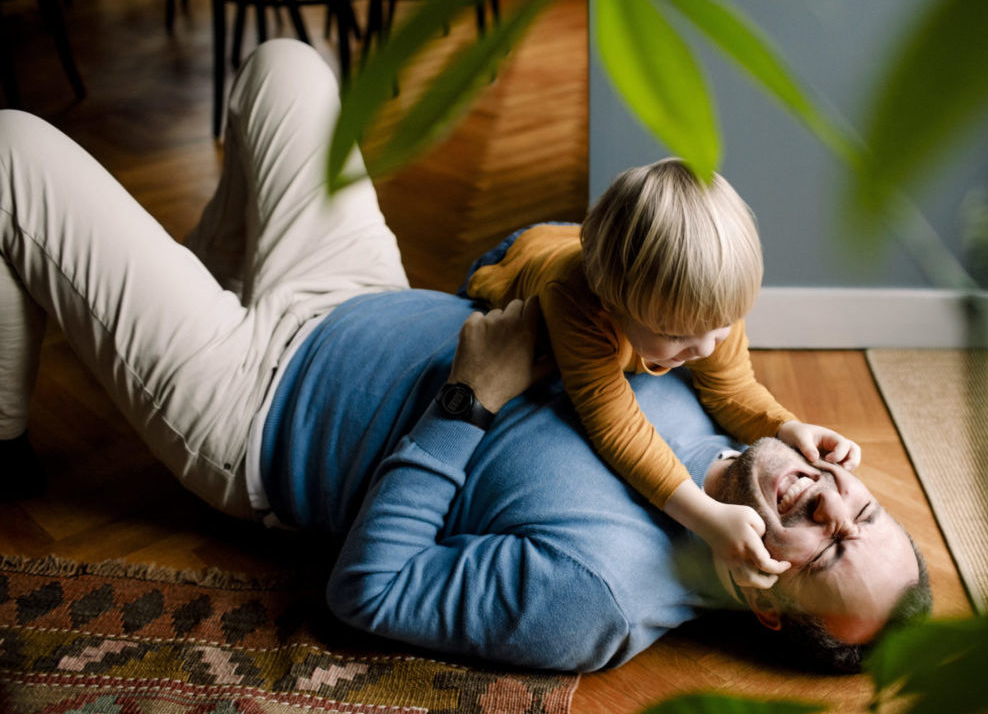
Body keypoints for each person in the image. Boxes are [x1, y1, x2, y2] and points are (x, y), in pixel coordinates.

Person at [0, 39, 929, 672]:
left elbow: (367, 593)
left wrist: (468, 399)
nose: (834, 503)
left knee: (12, 154)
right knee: (286, 67)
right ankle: (193, 281)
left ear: (767, 598)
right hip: (360, 291)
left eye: (827, 550)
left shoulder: (597, 597)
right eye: (867, 513)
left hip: (254, 408)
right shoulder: (716, 395)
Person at [461, 161, 859, 590]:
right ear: (611, 304)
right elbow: (616, 426)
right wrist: (705, 516)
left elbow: (732, 389)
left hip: (588, 242)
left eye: (721, 328)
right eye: (675, 335)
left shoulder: (707, 305)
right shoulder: (576, 303)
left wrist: (786, 426)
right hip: (523, 256)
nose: (705, 348)